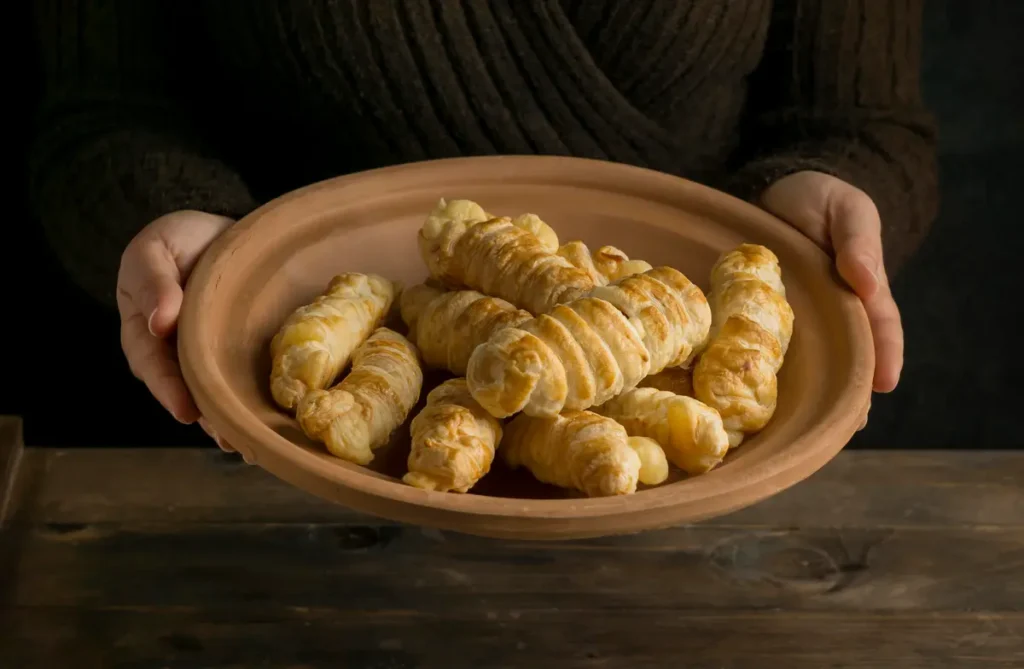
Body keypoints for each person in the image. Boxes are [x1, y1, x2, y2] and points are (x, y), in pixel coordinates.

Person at [29, 0, 937, 449]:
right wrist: (160, 214)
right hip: (247, 438)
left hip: (722, 479)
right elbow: (101, 109)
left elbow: (858, 119)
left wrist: (832, 188)